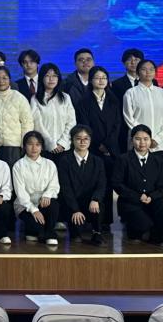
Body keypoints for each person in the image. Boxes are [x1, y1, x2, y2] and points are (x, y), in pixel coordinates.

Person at [75, 66, 121, 230]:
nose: (101, 80)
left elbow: (117, 125)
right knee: (91, 184)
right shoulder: (83, 102)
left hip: (111, 150)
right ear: (91, 80)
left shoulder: (114, 100)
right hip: (92, 149)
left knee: (107, 185)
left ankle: (106, 220)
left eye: (104, 77)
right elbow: (84, 125)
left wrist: (108, 145)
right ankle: (90, 220)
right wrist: (98, 144)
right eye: (97, 77)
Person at [113, 124, 163, 245]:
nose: (142, 143)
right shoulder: (123, 159)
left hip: (152, 201)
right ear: (132, 140)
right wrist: (137, 196)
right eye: (138, 139)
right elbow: (117, 184)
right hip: (130, 202)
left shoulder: (158, 160)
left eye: (146, 139)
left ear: (151, 140)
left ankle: (156, 236)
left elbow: (161, 187)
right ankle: (135, 228)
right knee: (142, 226)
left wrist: (151, 197)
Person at [57, 125, 106, 245]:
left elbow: (101, 184)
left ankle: (97, 232)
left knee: (99, 204)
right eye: (78, 138)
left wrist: (95, 199)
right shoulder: (65, 160)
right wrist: (75, 209)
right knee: (76, 238)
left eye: (86, 138)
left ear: (90, 140)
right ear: (72, 140)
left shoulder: (98, 161)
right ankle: (75, 230)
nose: (82, 142)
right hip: (72, 204)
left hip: (90, 202)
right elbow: (66, 188)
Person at [12, 131, 61, 246]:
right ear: (24, 146)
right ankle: (34, 230)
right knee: (35, 226)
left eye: (38, 144)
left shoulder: (50, 164)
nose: (34, 148)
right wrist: (33, 210)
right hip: (25, 205)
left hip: (44, 202)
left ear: (42, 147)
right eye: (30, 144)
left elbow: (54, 185)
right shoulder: (18, 165)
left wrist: (47, 195)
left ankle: (49, 234)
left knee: (54, 204)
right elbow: (20, 192)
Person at [122, 59, 163, 153]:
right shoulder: (130, 93)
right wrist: (144, 138)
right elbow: (129, 118)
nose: (148, 72)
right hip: (138, 144)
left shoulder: (162, 93)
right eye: (144, 69)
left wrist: (158, 139)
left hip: (160, 145)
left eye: (151, 69)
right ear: (138, 72)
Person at [30, 63, 77, 161]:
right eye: (47, 76)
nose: (51, 79)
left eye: (54, 76)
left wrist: (62, 143)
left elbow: (71, 122)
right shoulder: (35, 99)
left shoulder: (66, 97)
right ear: (41, 78)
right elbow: (37, 124)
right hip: (45, 149)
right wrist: (51, 144)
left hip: (64, 148)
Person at [112, 48, 147, 154]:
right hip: (125, 128)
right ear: (124, 63)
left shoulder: (151, 82)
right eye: (129, 60)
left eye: (136, 60)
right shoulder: (116, 84)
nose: (133, 62)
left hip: (146, 125)